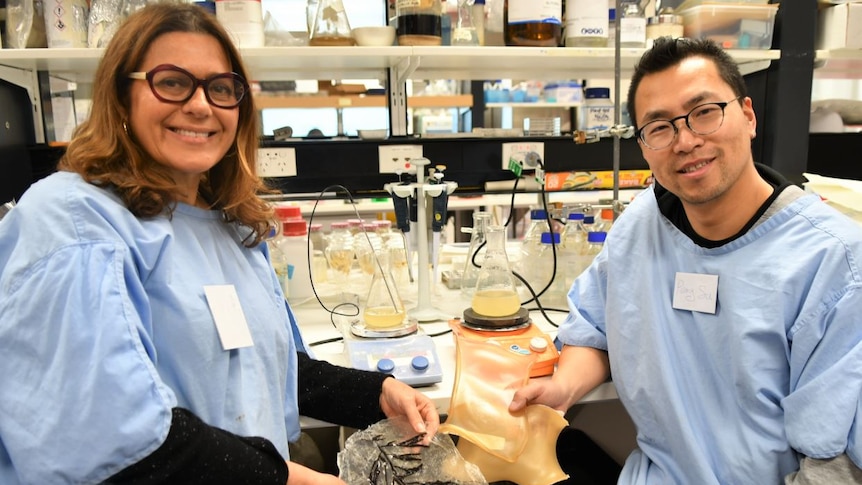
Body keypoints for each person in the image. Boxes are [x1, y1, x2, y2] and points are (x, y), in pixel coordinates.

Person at [0, 4, 438, 484]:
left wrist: (377, 391)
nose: (200, 105)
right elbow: (112, 441)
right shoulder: (74, 222)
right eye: (171, 82)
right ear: (121, 97)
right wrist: (298, 480)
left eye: (221, 88)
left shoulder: (226, 224)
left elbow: (261, 367)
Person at [510, 37, 862, 484]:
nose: (686, 140)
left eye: (704, 112)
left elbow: (834, 468)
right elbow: (595, 328)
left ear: (748, 115)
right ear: (643, 145)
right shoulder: (641, 225)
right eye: (659, 127)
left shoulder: (834, 263)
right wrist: (562, 388)